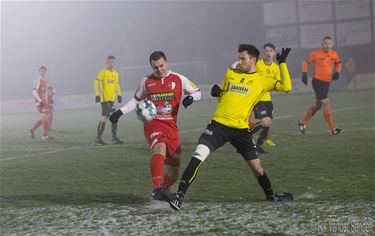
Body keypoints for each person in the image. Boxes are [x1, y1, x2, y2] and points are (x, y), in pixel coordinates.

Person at [165, 44, 293, 211]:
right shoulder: (231, 73)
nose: (239, 61)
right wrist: (218, 94)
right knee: (197, 156)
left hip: (240, 130)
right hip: (218, 126)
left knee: (257, 169)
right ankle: (179, 197)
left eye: (243, 59)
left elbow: (287, 87)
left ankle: (271, 196)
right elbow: (224, 98)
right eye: (239, 58)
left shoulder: (262, 80)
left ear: (253, 60)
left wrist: (282, 63)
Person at [109, 51, 202, 200]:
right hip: (153, 123)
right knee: (160, 146)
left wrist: (191, 97)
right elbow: (135, 100)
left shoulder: (179, 79)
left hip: (171, 126)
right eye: (155, 67)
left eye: (161, 66)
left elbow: (198, 92)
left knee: (173, 174)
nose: (159, 70)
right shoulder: (146, 81)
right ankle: (157, 187)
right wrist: (120, 112)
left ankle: (163, 190)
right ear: (151, 67)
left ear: (167, 63)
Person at [299, 36, 343, 135]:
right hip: (318, 81)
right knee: (326, 102)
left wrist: (337, 72)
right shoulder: (316, 53)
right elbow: (305, 62)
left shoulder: (334, 54)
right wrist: (304, 74)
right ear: (322, 44)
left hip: (327, 82)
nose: (328, 45)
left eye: (329, 43)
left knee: (318, 105)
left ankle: (302, 122)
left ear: (332, 44)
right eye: (326, 43)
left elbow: (338, 63)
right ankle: (333, 129)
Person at [249, 43, 281, 153]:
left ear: (274, 52)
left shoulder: (276, 67)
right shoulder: (258, 64)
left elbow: (277, 83)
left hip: (268, 98)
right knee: (264, 122)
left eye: (270, 50)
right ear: (263, 52)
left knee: (268, 123)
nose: (268, 53)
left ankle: (258, 145)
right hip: (257, 98)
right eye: (266, 51)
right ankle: (246, 136)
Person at [93, 55, 123, 145]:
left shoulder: (116, 73)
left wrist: (119, 94)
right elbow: (95, 82)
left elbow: (116, 84)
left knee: (105, 117)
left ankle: (100, 138)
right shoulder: (103, 72)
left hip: (111, 99)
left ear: (115, 63)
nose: (111, 64)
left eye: (112, 62)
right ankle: (108, 138)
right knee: (111, 116)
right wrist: (97, 94)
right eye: (109, 62)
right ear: (107, 62)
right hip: (104, 99)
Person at [28, 66, 52, 140]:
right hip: (39, 102)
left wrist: (48, 100)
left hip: (44, 101)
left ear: (46, 72)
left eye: (44, 71)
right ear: (39, 72)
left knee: (47, 117)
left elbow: (44, 93)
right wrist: (40, 101)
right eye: (41, 71)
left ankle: (33, 130)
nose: (43, 72)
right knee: (45, 117)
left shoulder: (45, 81)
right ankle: (44, 135)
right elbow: (34, 92)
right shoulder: (37, 80)